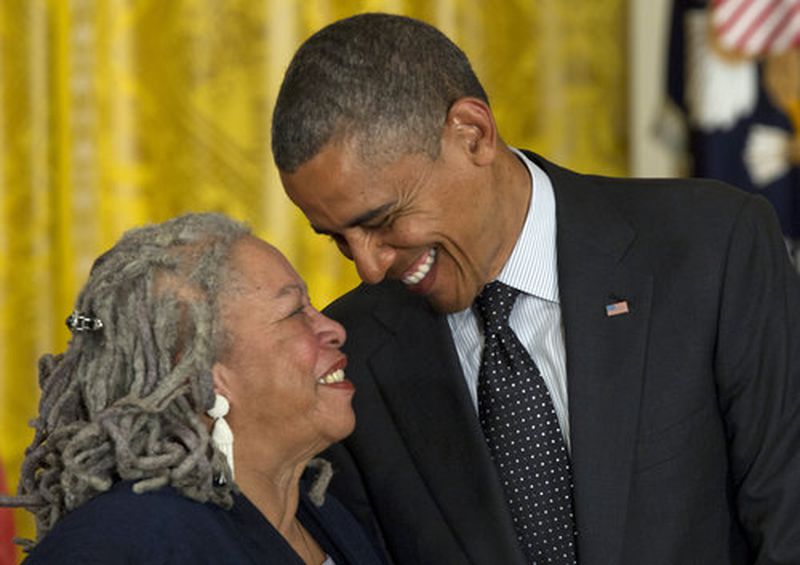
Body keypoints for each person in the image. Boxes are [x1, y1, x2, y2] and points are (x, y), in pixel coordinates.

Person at [271, 12, 800, 565]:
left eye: (382, 221)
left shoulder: (710, 247)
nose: (369, 267)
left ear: (472, 134)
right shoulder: (348, 357)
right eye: (338, 239)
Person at [0, 213, 387, 565]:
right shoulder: (121, 543)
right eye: (293, 313)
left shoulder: (324, 513)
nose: (334, 330)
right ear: (202, 373)